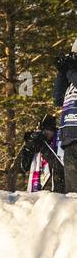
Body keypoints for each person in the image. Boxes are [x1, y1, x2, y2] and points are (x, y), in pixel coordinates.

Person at [11, 113, 65, 193]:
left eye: (49, 131)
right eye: (44, 131)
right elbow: (25, 166)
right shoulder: (37, 142)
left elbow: (59, 163)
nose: (47, 134)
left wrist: (45, 148)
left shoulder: (59, 141)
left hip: (58, 187)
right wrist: (30, 144)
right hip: (40, 187)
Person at [52, 42, 77, 194]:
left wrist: (70, 69)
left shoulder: (73, 74)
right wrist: (62, 72)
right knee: (73, 197)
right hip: (70, 140)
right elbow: (57, 99)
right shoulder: (71, 77)